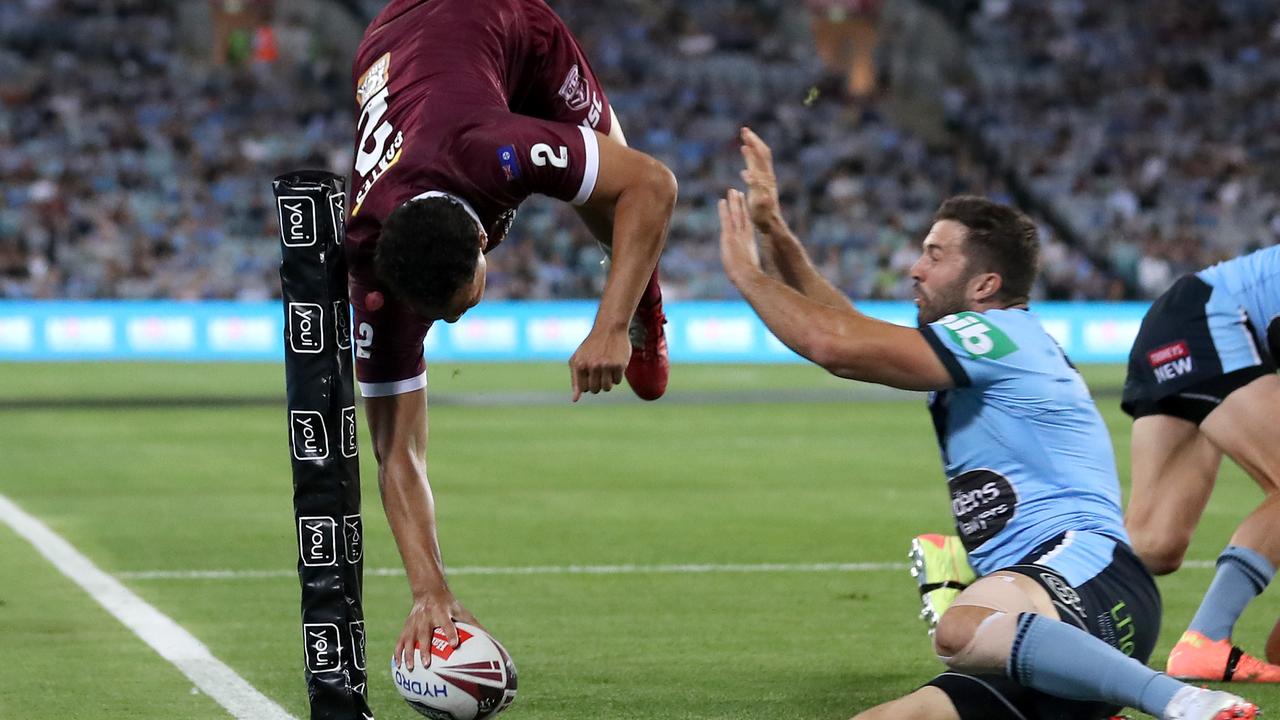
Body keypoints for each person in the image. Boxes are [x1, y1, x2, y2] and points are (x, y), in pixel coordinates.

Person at [717, 126, 1257, 720]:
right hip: (1048, 628)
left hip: (1087, 576)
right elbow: (847, 325)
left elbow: (833, 343)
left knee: (959, 629)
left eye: (934, 254)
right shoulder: (995, 341)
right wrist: (774, 231)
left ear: (985, 286)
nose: (914, 269)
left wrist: (746, 274)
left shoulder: (998, 334)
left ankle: (1175, 697)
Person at [345, 0, 677, 670]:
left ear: (480, 240)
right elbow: (395, 454)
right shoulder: (373, 269)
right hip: (392, 44)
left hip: (502, 25)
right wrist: (427, 588)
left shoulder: (494, 152)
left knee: (606, 186)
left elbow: (653, 184)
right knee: (593, 179)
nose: (453, 321)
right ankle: (630, 312)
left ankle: (645, 320)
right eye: (438, 316)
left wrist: (607, 327)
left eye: (456, 306)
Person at [1120, 244, 1280, 682]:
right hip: (1211, 320)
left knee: (1154, 544)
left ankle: (985, 556)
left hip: (1182, 320)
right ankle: (1206, 639)